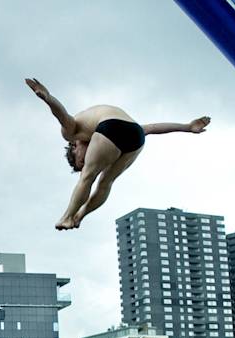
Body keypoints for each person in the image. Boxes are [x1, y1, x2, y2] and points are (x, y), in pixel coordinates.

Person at [25, 78, 210, 230]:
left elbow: (61, 115)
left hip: (111, 127)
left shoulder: (72, 132)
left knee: (87, 177)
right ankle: (80, 215)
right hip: (136, 135)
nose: (85, 160)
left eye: (81, 160)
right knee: (106, 182)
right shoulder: (93, 130)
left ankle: (67, 216)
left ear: (75, 147)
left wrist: (48, 98)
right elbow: (152, 128)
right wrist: (186, 127)